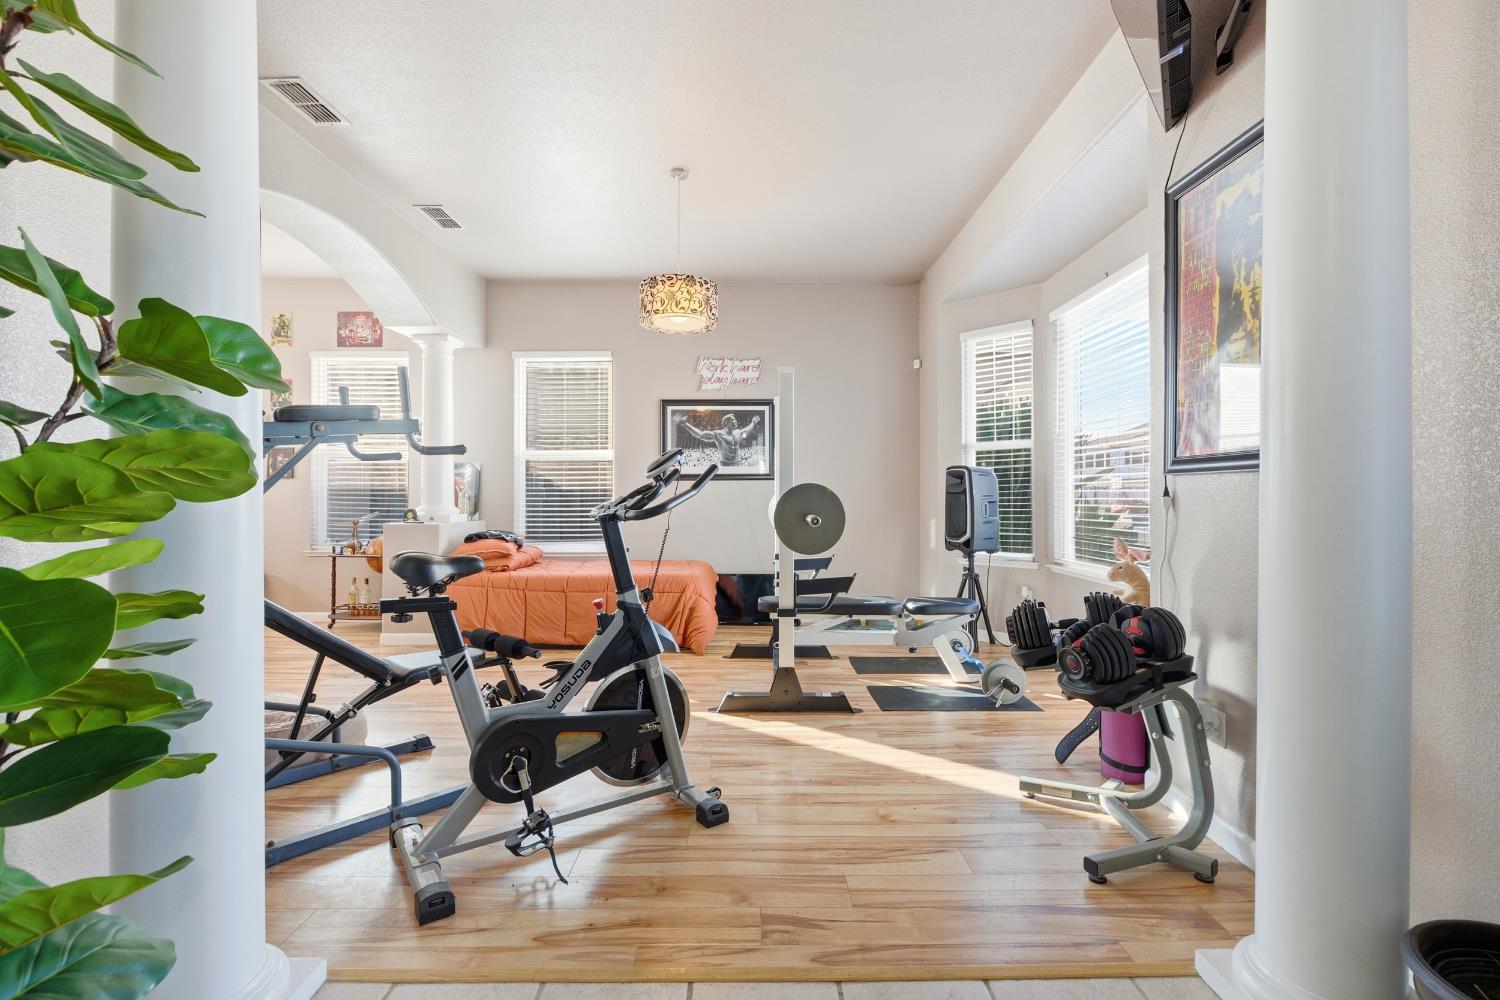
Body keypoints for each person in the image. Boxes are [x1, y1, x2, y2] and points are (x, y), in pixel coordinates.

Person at [676, 412, 761, 465]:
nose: (735, 421)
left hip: (737, 463)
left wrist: (753, 422)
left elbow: (748, 429)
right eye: (732, 420)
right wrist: (685, 424)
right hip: (725, 465)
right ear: (726, 422)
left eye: (735, 419)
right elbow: (700, 434)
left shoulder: (738, 433)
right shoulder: (718, 434)